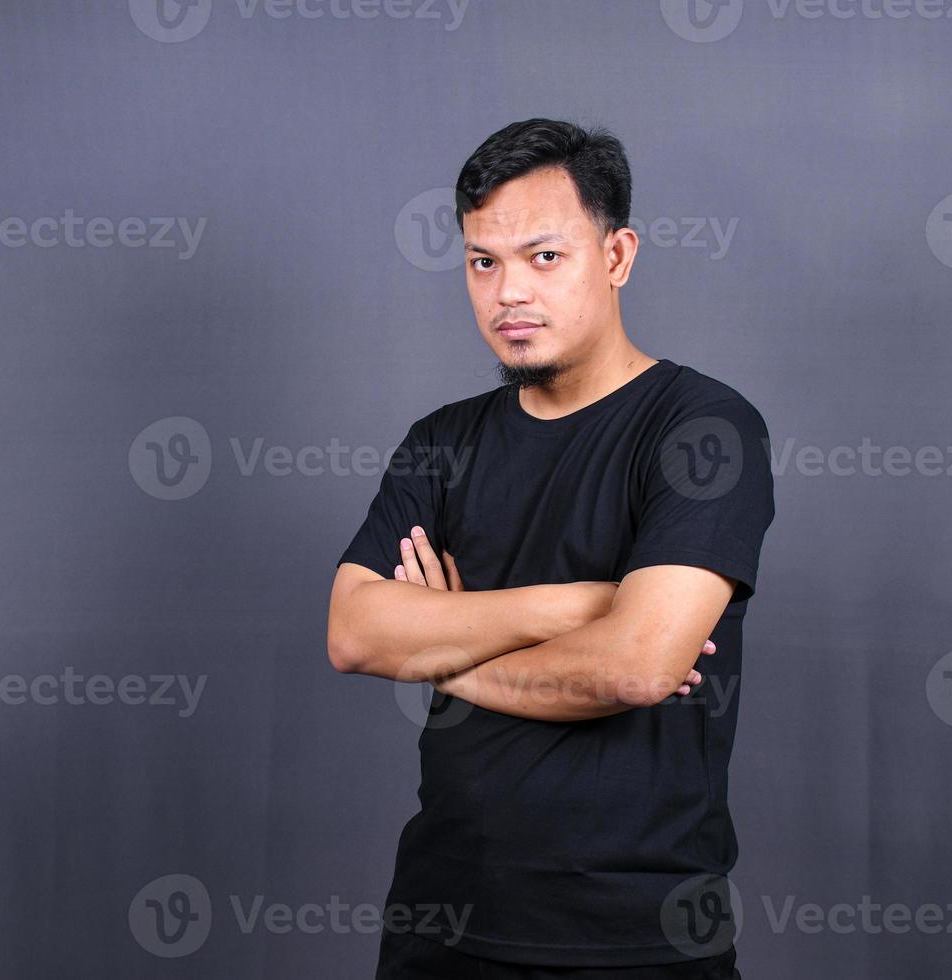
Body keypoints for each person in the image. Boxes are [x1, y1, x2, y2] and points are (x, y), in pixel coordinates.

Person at [327, 117, 774, 979]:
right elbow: (353, 633)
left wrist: (440, 647)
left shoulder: (704, 430)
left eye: (543, 257)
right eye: (482, 262)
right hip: (441, 924)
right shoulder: (441, 441)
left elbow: (635, 668)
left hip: (637, 935)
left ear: (616, 257)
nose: (507, 295)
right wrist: (568, 607)